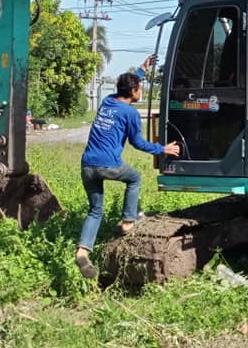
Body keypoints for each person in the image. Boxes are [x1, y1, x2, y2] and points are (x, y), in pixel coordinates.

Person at [76, 55, 180, 279]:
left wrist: (142, 70)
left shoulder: (108, 102)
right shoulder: (130, 113)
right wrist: (163, 149)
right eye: (140, 87)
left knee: (95, 210)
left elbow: (127, 85)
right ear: (133, 92)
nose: (141, 90)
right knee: (134, 177)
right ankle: (128, 222)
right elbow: (138, 143)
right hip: (108, 165)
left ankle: (83, 252)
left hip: (87, 165)